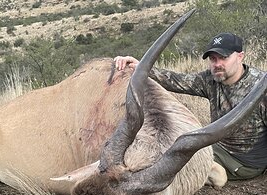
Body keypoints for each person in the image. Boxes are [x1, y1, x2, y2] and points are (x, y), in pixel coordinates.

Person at [114, 32, 267, 180]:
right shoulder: (210, 80)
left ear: (240, 56)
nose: (217, 64)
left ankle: (215, 174)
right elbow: (175, 80)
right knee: (173, 146)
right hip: (217, 146)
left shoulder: (261, 87)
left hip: (244, 161)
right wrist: (140, 67)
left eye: (224, 58)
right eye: (213, 59)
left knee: (174, 162)